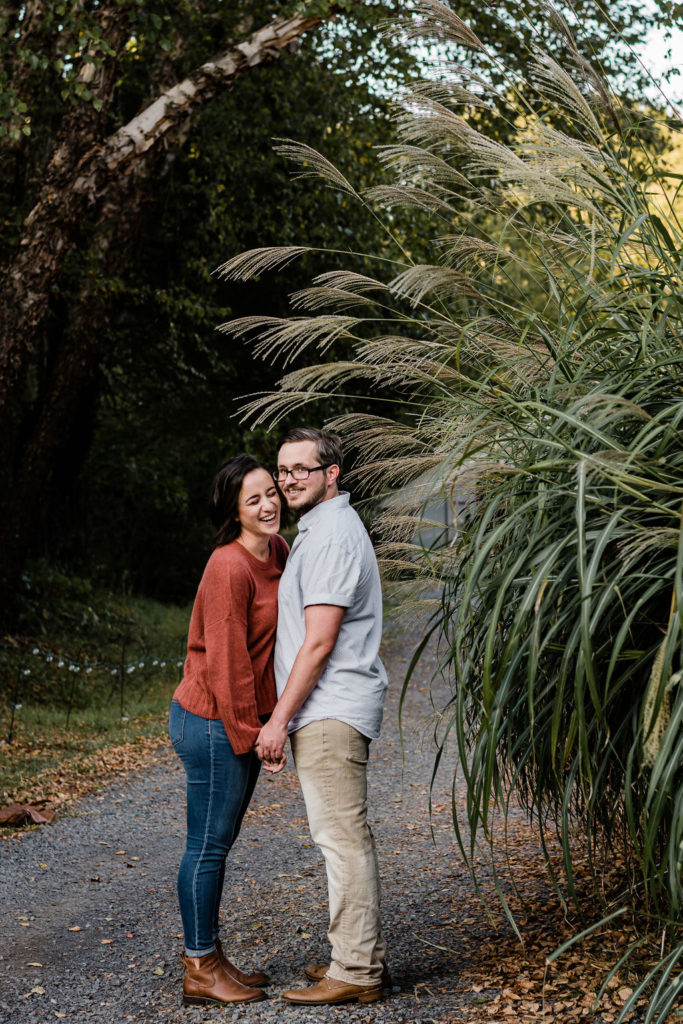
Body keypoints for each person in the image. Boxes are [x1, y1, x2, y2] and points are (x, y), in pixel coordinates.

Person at [256, 427, 389, 1006]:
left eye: (300, 470)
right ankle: (357, 954)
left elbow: (318, 643)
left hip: (330, 708)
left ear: (331, 473)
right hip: (328, 706)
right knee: (341, 836)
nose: (288, 480)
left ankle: (356, 971)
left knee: (341, 839)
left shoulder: (332, 535)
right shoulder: (320, 529)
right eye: (283, 471)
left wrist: (277, 720)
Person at [169, 454, 288, 1007]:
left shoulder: (278, 552)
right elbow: (228, 663)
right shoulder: (228, 566)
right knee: (208, 846)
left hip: (238, 720)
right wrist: (254, 736)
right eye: (254, 500)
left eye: (272, 493)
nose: (269, 505)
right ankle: (199, 967)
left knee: (220, 842)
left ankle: (211, 957)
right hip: (212, 720)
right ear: (233, 512)